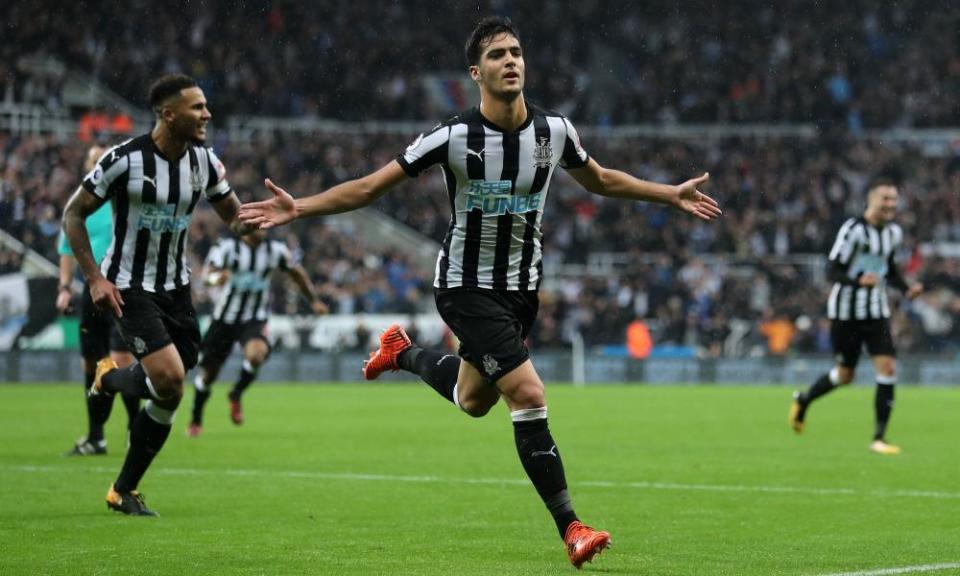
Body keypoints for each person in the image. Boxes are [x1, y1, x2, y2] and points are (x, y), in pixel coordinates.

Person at [239, 16, 720, 568]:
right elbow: (371, 187)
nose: (511, 61)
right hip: (465, 287)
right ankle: (572, 527)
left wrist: (669, 194)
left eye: (516, 52)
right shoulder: (452, 137)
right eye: (497, 55)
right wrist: (299, 205)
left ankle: (403, 352)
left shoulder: (554, 132)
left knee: (474, 400)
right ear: (476, 72)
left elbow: (601, 179)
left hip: (521, 291)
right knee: (529, 394)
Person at [61, 74, 255, 516]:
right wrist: (93, 278)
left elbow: (236, 220)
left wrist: (269, 219)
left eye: (206, 106)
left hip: (176, 287)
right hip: (128, 284)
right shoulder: (122, 160)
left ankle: (122, 490)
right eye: (197, 107)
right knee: (169, 379)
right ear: (168, 114)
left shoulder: (204, 162)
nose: (207, 114)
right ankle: (107, 378)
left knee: (170, 394)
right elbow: (73, 214)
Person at [789, 178, 923, 455]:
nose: (891, 205)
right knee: (845, 374)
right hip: (845, 313)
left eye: (894, 200)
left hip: (876, 311)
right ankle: (804, 399)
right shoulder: (853, 230)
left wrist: (907, 288)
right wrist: (858, 281)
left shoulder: (893, 233)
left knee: (887, 369)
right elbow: (832, 270)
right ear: (871, 200)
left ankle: (879, 438)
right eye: (885, 199)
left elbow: (890, 269)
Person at [187, 229, 328, 437]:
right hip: (224, 320)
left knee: (257, 354)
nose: (263, 229)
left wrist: (314, 299)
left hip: (254, 318)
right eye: (258, 224)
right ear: (245, 225)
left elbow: (297, 273)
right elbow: (207, 277)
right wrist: (219, 279)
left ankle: (236, 393)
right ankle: (196, 417)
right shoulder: (226, 248)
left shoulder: (275, 250)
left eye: (264, 225)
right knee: (209, 375)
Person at [58, 144, 138, 456]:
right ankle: (96, 437)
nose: (98, 165)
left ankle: (135, 429)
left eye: (102, 160)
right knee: (90, 364)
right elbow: (67, 249)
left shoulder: (124, 200)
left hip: (123, 288)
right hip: (91, 289)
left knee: (122, 361)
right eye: (94, 160)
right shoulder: (80, 203)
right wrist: (64, 287)